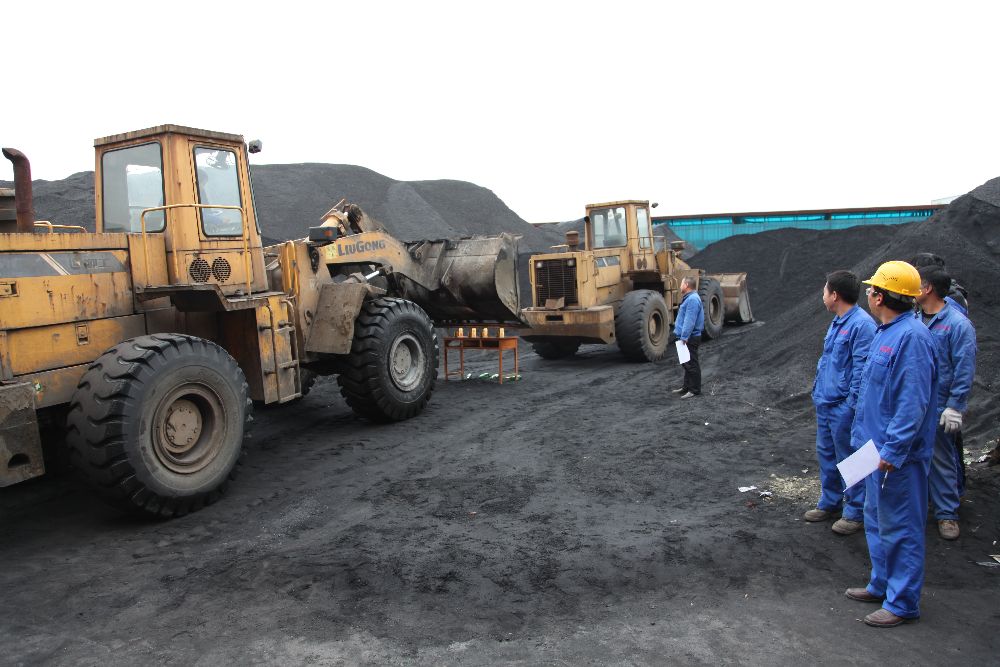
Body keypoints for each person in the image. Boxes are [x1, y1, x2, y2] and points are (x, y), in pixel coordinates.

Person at [844, 260, 937, 628]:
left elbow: (912, 404)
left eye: (872, 289)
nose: (868, 293)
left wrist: (894, 451)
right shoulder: (887, 332)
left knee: (901, 528)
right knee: (877, 520)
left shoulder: (912, 339)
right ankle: (881, 583)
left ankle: (902, 602)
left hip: (895, 457)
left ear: (880, 296)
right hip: (874, 450)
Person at [803, 271, 876, 535]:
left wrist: (850, 407)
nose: (822, 296)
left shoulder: (862, 325)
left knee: (851, 458)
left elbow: (862, 372)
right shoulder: (838, 322)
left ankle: (855, 511)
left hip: (843, 407)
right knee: (827, 455)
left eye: (825, 291)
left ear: (835, 295)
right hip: (827, 403)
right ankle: (830, 501)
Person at [915, 266, 977, 540]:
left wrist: (955, 406)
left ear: (928, 288)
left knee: (942, 459)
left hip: (940, 405)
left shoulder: (957, 324)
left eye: (917, 285)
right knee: (914, 457)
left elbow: (964, 368)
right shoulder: (915, 319)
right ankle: (920, 506)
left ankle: (947, 514)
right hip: (916, 402)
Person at [672, 276, 704, 399]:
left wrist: (684, 336)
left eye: (681, 283)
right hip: (687, 337)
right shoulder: (690, 298)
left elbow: (689, 320)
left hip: (689, 337)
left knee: (691, 364)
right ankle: (687, 387)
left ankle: (694, 390)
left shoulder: (692, 299)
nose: (680, 286)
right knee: (686, 363)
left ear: (686, 285)